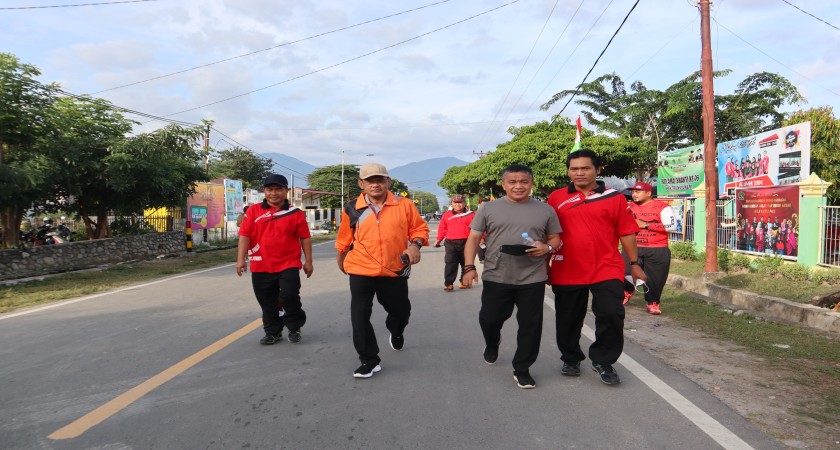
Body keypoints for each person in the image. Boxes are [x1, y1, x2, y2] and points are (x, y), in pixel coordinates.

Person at [547, 149, 646, 386]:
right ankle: (570, 358)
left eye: (585, 168)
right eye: (574, 168)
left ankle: (604, 361)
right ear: (568, 171)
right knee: (568, 318)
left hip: (606, 267)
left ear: (598, 170)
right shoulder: (556, 198)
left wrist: (634, 264)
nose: (579, 173)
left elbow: (627, 233)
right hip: (567, 268)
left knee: (612, 314)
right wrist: (543, 266)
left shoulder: (615, 198)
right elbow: (548, 233)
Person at [462, 164, 561, 389]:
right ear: (503, 184)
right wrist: (469, 267)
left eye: (523, 181)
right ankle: (492, 341)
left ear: (532, 183)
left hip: (533, 276)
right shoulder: (487, 208)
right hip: (497, 274)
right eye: (512, 182)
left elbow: (555, 238)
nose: (518, 186)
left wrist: (546, 248)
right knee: (490, 319)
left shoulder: (545, 210)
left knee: (530, 325)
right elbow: (473, 239)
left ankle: (522, 368)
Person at [335, 163, 429, 379]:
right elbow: (344, 238)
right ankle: (369, 360)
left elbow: (419, 228)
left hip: (394, 270)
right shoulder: (352, 207)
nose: (375, 184)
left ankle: (396, 330)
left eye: (379, 179)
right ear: (361, 184)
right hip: (360, 269)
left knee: (400, 313)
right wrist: (341, 260)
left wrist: (415, 244)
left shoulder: (404, 205)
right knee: (359, 316)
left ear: (388, 182)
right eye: (369, 180)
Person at [237, 174, 313, 345]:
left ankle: (294, 326)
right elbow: (244, 235)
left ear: (286, 191)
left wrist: (308, 261)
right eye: (270, 189)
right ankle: (273, 332)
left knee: (289, 296)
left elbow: (305, 238)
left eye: (278, 189)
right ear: (264, 191)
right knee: (267, 301)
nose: (274, 193)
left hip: (289, 263)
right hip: (260, 264)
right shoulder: (253, 211)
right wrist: (240, 259)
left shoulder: (295, 213)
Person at [623, 181, 677, 315]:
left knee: (656, 278)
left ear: (648, 193)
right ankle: (626, 291)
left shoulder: (662, 207)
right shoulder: (628, 206)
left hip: (657, 248)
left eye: (637, 192)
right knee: (624, 271)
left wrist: (645, 225)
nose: (634, 194)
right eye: (633, 192)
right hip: (633, 246)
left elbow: (672, 227)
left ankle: (653, 302)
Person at [435, 194, 475, 291]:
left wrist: (482, 238)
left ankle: (463, 282)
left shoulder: (471, 214)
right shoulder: (446, 215)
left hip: (467, 242)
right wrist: (439, 239)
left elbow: (477, 228)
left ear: (464, 203)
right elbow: (442, 228)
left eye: (460, 202)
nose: (458, 205)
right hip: (451, 243)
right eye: (455, 203)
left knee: (465, 263)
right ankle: (448, 283)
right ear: (451, 204)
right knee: (450, 263)